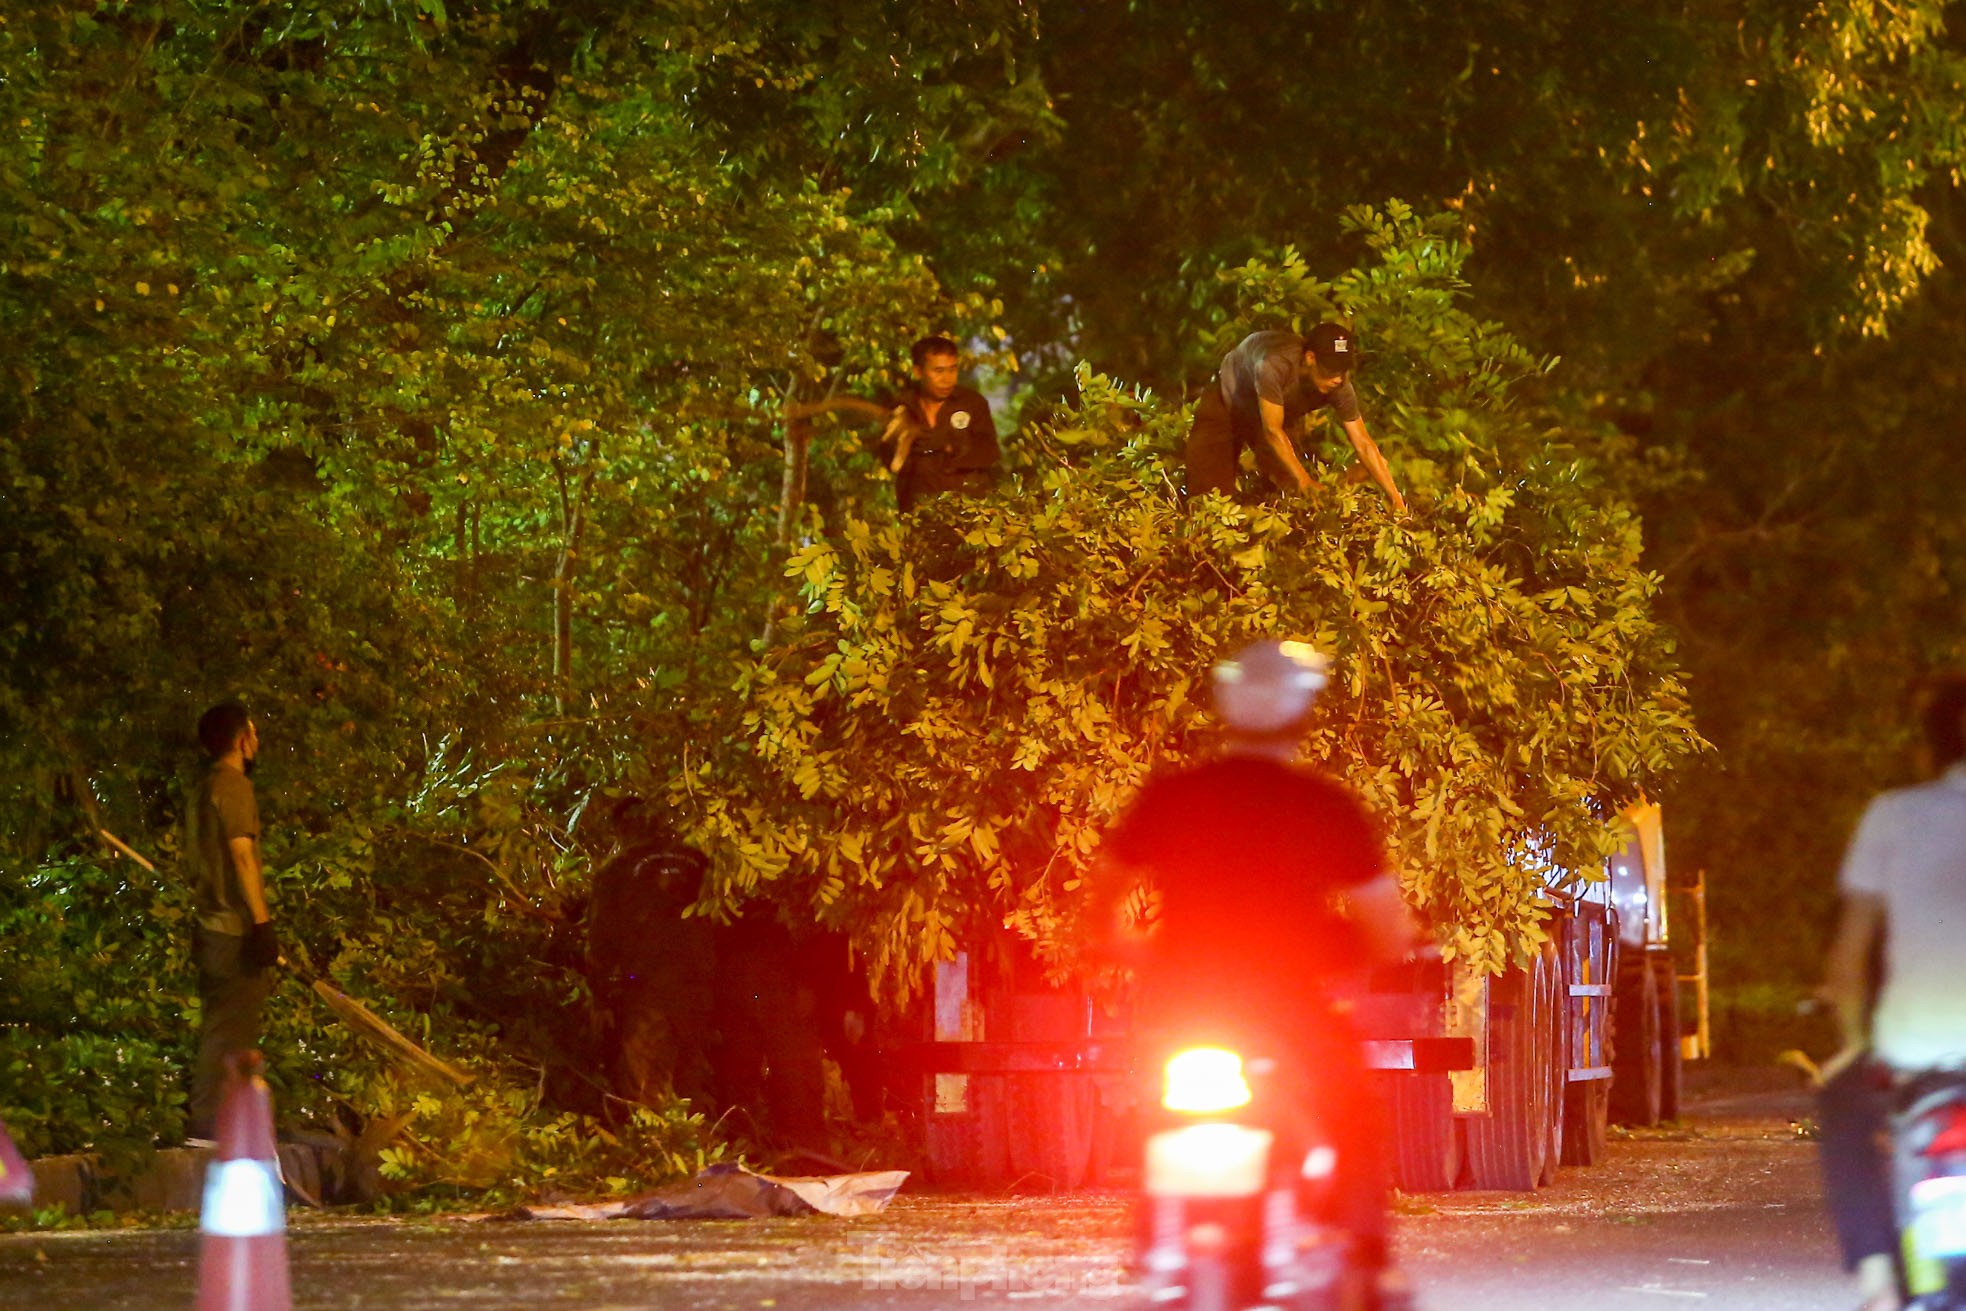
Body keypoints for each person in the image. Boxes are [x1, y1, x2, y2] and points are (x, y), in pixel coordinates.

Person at [1090, 640, 1419, 1308]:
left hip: (1183, 1009)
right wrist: (1352, 955)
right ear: (1303, 712)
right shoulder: (1326, 807)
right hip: (1290, 1011)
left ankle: (1152, 1239)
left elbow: (1098, 905)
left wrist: (1131, 949)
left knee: (1155, 1109)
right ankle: (1369, 1258)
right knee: (1353, 1109)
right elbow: (1388, 929)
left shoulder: (1171, 797)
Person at [1817, 672, 1966, 1311]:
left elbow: (1847, 964)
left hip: (1914, 1054)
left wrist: (1853, 1045)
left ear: (1929, 751)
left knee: (1839, 1105)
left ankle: (1878, 1276)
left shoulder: (1893, 815)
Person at [185, 701, 281, 1141]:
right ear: (241, 740)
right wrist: (262, 924)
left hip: (208, 927)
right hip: (231, 931)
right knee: (229, 1032)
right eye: (254, 733)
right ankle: (207, 1129)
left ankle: (224, 1125)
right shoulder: (234, 787)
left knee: (223, 1028)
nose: (258, 742)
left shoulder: (203, 789)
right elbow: (242, 854)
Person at [1185, 323, 1406, 511]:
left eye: (1342, 370)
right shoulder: (1274, 365)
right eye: (1330, 370)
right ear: (1310, 358)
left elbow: (1364, 444)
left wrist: (1396, 500)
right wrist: (1304, 480)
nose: (1338, 379)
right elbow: (1272, 430)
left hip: (1273, 413)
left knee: (1294, 494)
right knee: (1209, 499)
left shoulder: (1339, 386)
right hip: (1228, 399)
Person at [882, 335, 1000, 513]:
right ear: (918, 372)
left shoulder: (972, 403)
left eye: (952, 370)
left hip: (969, 512)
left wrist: (950, 446)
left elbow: (990, 452)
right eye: (938, 371)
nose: (948, 379)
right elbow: (888, 458)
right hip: (918, 512)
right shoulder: (902, 406)